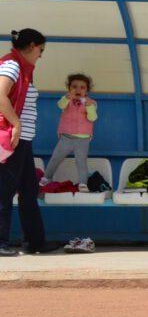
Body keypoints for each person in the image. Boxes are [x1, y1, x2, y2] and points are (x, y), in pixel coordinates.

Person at [0, 28, 47, 257]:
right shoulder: (12, 65)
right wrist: (16, 124)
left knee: (29, 190)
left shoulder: (23, 68)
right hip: (12, 139)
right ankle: (0, 242)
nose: (40, 55)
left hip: (23, 141)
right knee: (4, 190)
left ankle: (35, 242)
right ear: (31, 47)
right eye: (40, 49)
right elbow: (0, 95)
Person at [46, 71, 96, 188]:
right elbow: (60, 105)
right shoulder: (66, 99)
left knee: (81, 162)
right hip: (66, 137)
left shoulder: (91, 103)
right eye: (74, 87)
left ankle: (83, 183)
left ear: (87, 90)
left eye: (82, 87)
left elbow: (92, 117)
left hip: (83, 139)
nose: (78, 90)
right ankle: (46, 177)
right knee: (55, 158)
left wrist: (89, 107)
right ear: (69, 88)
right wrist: (67, 98)